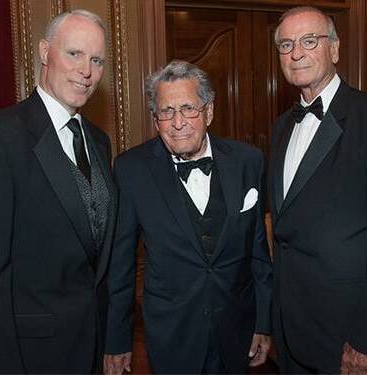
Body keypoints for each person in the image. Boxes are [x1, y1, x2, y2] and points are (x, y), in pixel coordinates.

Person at [0, 9, 117, 373]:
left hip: (88, 349)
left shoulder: (99, 143)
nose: (86, 70)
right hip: (26, 356)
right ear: (45, 52)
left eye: (97, 60)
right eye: (74, 53)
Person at [269, 6, 367, 374]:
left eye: (310, 41)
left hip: (352, 341)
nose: (297, 53)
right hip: (293, 335)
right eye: (286, 45)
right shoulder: (281, 130)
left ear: (335, 49)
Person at [104, 60, 273, 374]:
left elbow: (258, 253)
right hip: (171, 334)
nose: (177, 122)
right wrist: (117, 339)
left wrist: (263, 322)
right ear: (156, 120)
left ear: (209, 111)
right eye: (166, 111)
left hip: (237, 330)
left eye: (188, 108)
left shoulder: (248, 161)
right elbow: (121, 264)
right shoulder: (131, 169)